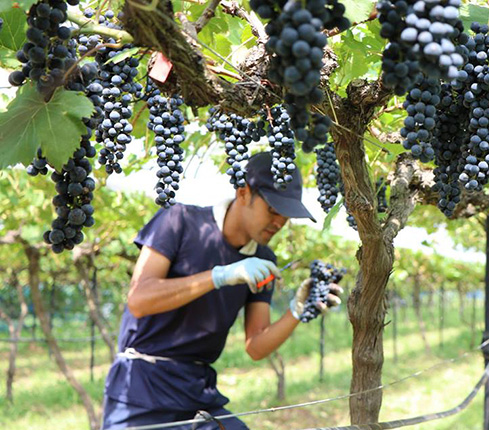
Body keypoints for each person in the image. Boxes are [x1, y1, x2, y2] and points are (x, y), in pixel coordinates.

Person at [102, 152, 343, 429]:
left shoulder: (264, 258)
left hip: (197, 391)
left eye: (286, 215)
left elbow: (256, 345)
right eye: (273, 210)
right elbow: (139, 300)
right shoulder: (177, 220)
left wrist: (297, 311)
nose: (279, 222)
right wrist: (220, 276)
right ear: (243, 193)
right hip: (140, 389)